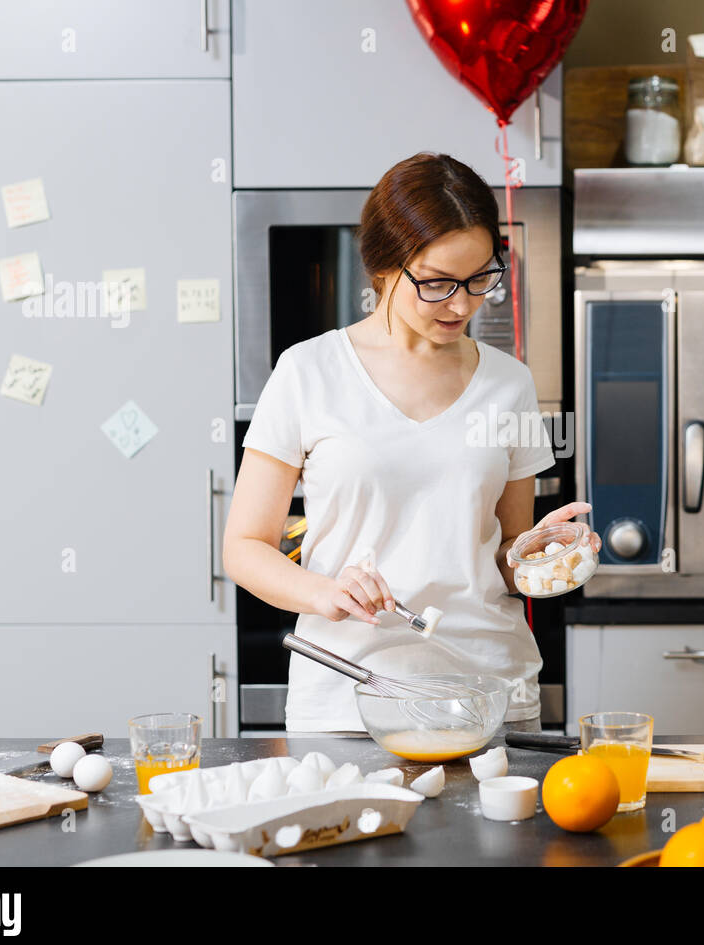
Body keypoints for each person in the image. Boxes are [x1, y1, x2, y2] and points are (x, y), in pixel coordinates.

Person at [223, 151, 599, 734]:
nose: (462, 304)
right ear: (381, 269)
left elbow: (501, 562)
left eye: (480, 279)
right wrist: (325, 593)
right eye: (437, 283)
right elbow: (244, 547)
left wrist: (543, 555)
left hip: (489, 694)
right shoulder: (307, 371)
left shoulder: (510, 383)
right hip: (350, 695)